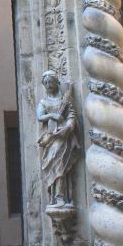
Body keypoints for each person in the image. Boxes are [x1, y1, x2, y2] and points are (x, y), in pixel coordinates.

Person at [37, 70, 80, 206]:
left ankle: (61, 196)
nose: (49, 85)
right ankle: (55, 197)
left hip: (63, 137)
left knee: (61, 165)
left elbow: (71, 115)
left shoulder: (64, 101)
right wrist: (52, 115)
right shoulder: (43, 102)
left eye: (51, 82)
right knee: (54, 165)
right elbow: (40, 116)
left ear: (57, 83)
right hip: (51, 138)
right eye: (46, 83)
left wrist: (67, 127)